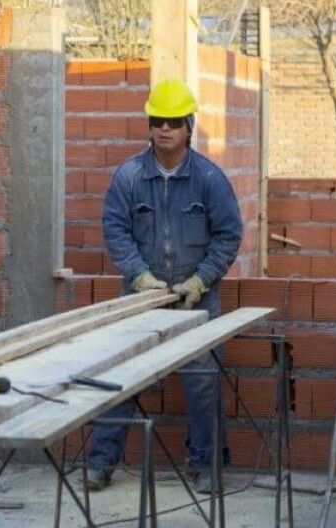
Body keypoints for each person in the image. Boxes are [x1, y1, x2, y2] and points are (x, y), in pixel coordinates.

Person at [85, 78, 243, 493]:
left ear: (189, 126)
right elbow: (115, 229)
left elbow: (228, 234)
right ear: (149, 126)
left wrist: (201, 280)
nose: (165, 129)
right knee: (121, 375)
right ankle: (101, 462)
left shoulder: (209, 178)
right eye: (158, 121)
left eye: (174, 121)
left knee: (203, 381)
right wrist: (139, 276)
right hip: (141, 298)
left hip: (197, 300)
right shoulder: (130, 177)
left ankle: (206, 465)